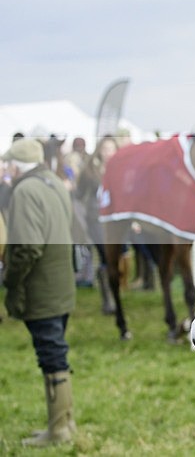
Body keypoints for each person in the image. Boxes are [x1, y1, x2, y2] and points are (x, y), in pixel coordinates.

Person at [1, 138, 77, 446]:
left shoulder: (24, 190)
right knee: (55, 352)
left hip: (42, 288)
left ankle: (58, 430)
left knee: (51, 355)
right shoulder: (54, 182)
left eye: (8, 163)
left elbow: (28, 247)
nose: (7, 168)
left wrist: (11, 281)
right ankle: (64, 424)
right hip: (62, 285)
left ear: (17, 166)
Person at [75, 136, 118, 313]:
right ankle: (108, 300)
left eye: (111, 148)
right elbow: (79, 193)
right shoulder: (90, 170)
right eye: (105, 148)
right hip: (96, 218)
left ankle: (113, 295)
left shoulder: (120, 169)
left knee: (113, 258)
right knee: (106, 255)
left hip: (114, 218)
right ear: (100, 150)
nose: (108, 152)